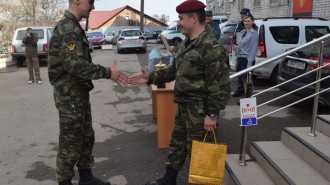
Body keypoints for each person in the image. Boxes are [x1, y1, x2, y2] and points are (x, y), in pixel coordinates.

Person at [128, 0, 230, 184]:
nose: (179, 23)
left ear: (194, 18)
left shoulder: (211, 48)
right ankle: (169, 179)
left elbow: (220, 86)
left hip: (200, 111)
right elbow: (173, 71)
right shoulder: (184, 45)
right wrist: (149, 77)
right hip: (183, 107)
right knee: (177, 145)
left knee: (200, 153)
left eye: (181, 19)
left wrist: (212, 114)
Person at [47, 0, 128, 185]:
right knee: (70, 142)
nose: (93, 7)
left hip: (78, 93)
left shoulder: (74, 27)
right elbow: (74, 64)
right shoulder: (67, 28)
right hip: (70, 96)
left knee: (85, 137)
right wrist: (108, 73)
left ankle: (86, 178)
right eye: (90, 2)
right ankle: (65, 182)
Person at [236, 12, 258, 97]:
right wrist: (237, 59)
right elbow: (239, 47)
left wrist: (249, 63)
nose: (246, 23)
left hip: (247, 59)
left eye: (248, 21)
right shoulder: (243, 32)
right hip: (241, 59)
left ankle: (249, 98)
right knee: (244, 79)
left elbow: (253, 49)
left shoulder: (253, 33)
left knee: (248, 80)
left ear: (252, 22)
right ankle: (246, 97)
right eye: (245, 21)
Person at [232, 8, 250, 97]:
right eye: (241, 14)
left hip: (246, 54)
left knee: (246, 76)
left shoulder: (250, 26)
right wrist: (234, 44)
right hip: (239, 53)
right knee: (239, 72)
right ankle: (240, 89)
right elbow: (235, 37)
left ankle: (248, 95)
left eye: (244, 14)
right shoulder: (239, 25)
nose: (242, 15)